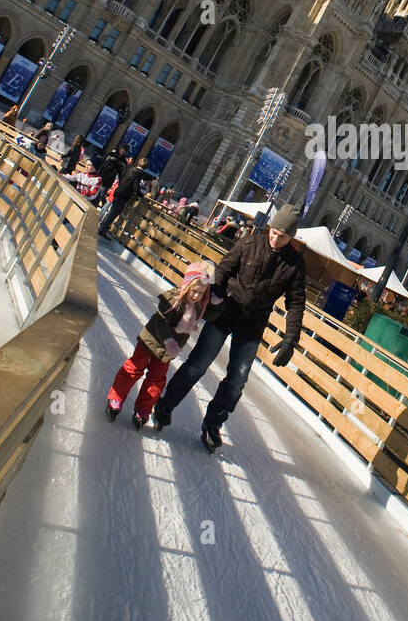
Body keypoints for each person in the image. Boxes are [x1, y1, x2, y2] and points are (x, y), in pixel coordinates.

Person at [152, 203, 306, 453]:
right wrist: (212, 299)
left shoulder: (295, 265)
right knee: (198, 363)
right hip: (226, 311)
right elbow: (223, 271)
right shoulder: (249, 244)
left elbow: (296, 302)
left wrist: (291, 337)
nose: (276, 239)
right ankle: (166, 404)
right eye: (274, 232)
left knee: (237, 379)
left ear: (291, 237)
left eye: (283, 236)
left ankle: (213, 424)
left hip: (252, 324)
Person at [106, 262, 212, 428]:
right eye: (194, 291)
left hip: (167, 353)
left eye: (201, 293)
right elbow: (161, 321)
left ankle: (143, 409)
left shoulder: (199, 308)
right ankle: (116, 398)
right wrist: (168, 341)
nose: (196, 296)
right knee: (133, 368)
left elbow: (213, 312)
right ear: (186, 285)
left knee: (156, 380)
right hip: (151, 341)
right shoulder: (172, 299)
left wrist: (218, 302)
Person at [98, 155, 150, 239]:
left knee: (113, 211)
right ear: (145, 167)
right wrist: (140, 195)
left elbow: (123, 179)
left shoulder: (131, 168)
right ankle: (102, 229)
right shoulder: (139, 173)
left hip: (119, 191)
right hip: (123, 194)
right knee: (113, 212)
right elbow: (136, 185)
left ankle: (104, 227)